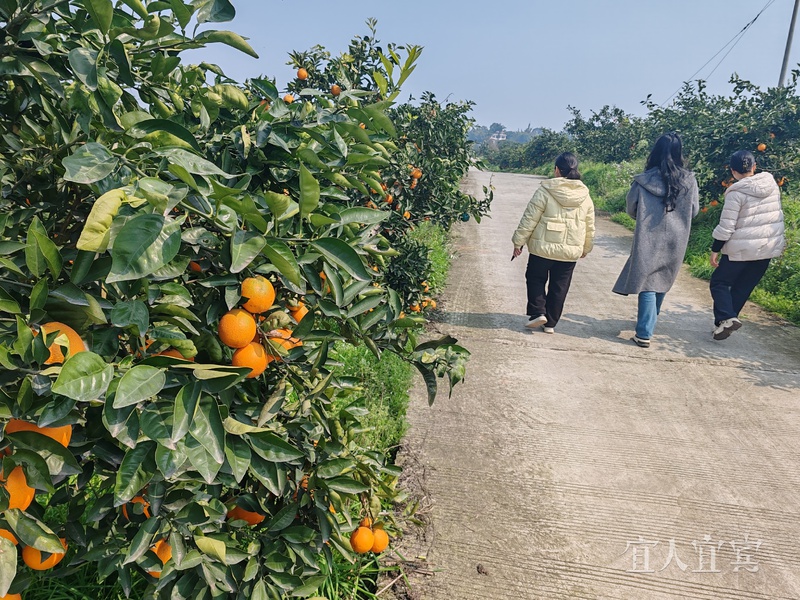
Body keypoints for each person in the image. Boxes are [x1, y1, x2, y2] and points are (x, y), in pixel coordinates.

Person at [612, 132, 699, 348]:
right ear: (680, 152)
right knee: (663, 279)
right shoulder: (689, 180)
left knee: (648, 282)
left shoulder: (643, 180)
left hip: (649, 235)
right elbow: (694, 210)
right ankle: (648, 326)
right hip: (677, 237)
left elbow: (631, 209)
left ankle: (644, 332)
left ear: (655, 151)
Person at [512, 152, 595, 334]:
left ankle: (538, 312)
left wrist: (518, 242)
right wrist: (586, 247)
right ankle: (550, 323)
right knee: (560, 286)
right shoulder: (585, 195)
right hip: (570, 251)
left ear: (557, 170)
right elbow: (590, 225)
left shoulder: (545, 190)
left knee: (535, 278)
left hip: (543, 249)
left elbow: (530, 218)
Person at [708, 150, 785, 340]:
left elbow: (727, 226)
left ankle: (726, 317)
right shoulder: (772, 185)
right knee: (743, 287)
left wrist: (715, 249)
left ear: (733, 171)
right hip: (766, 249)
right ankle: (724, 323)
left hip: (741, 250)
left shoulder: (736, 192)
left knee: (719, 282)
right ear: (754, 166)